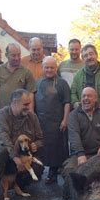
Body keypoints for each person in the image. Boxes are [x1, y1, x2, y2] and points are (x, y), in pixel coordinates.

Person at [0, 89, 44, 200]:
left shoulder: (32, 117)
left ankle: (18, 185)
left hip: (24, 157)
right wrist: (15, 158)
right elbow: (3, 140)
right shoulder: (1, 115)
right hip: (7, 157)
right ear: (14, 103)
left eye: (29, 103)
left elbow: (40, 138)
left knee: (38, 166)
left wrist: (36, 144)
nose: (29, 106)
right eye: (25, 104)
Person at [34, 56, 71, 184]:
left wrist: (65, 119)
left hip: (57, 122)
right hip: (41, 121)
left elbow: (67, 102)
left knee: (56, 149)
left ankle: (53, 173)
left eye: (52, 67)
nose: (49, 70)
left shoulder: (62, 83)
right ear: (42, 68)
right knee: (41, 148)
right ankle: (38, 171)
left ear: (56, 68)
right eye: (47, 67)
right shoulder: (37, 82)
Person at [0, 43, 36, 117]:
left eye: (18, 55)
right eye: (13, 55)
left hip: (20, 114)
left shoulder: (26, 72)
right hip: (2, 113)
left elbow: (30, 93)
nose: (17, 58)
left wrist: (30, 111)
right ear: (6, 55)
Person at [70, 44, 100, 109]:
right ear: (83, 59)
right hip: (83, 113)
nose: (89, 57)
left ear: (96, 55)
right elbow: (73, 92)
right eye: (85, 56)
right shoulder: (78, 75)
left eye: (91, 54)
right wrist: (75, 103)